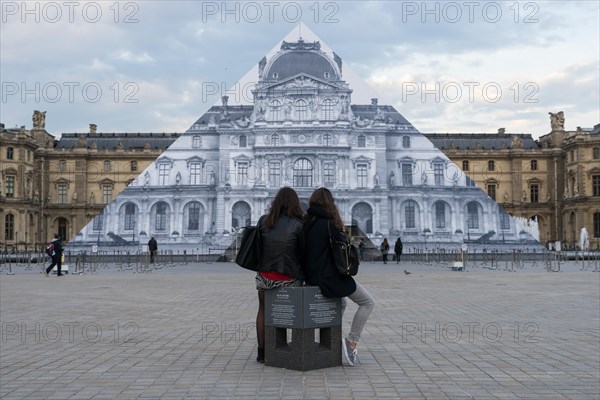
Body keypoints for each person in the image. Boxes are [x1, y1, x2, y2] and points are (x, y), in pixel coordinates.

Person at [304, 188, 375, 367]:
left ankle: (327, 341)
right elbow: (342, 251)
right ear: (330, 203)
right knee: (367, 302)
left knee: (341, 303)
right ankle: (351, 342)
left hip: (312, 276)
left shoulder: (306, 223)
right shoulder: (330, 224)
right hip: (331, 277)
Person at [255, 187, 305, 363]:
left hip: (264, 276)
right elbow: (303, 253)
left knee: (263, 310)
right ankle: (288, 350)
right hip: (289, 277)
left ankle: (262, 353)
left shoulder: (263, 221)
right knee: (293, 312)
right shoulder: (299, 225)